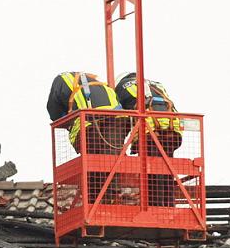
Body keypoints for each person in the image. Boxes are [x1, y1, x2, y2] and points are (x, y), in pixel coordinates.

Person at [47, 71, 129, 204]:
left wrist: (66, 119)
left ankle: (94, 201)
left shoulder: (61, 80)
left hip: (88, 123)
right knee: (111, 157)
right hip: (117, 120)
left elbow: (54, 111)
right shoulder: (97, 81)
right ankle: (110, 193)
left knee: (91, 162)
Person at [114, 72, 182, 207]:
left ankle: (154, 206)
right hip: (171, 129)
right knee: (167, 170)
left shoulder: (122, 87)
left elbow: (121, 118)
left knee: (150, 171)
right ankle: (168, 205)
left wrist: (121, 145)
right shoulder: (156, 84)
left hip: (149, 131)